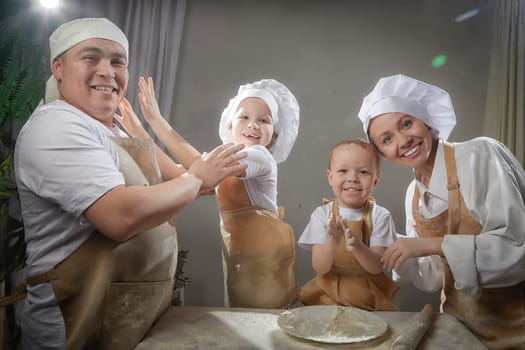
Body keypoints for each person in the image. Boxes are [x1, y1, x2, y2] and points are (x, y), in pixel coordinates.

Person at [13, 17, 247, 350]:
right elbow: (119, 217)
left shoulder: (113, 131)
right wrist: (197, 178)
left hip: (131, 318)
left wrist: (161, 132)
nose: (107, 71)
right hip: (75, 326)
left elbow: (189, 182)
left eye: (117, 61)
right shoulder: (56, 126)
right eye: (91, 57)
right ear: (59, 68)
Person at [358, 73, 525, 349]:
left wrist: (432, 244)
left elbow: (517, 248)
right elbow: (434, 276)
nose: (403, 140)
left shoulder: (479, 156)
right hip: (461, 330)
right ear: (384, 155)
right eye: (387, 139)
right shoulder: (413, 195)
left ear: (425, 120)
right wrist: (392, 245)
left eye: (407, 123)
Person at [118, 77, 300, 308]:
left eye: (264, 121)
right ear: (230, 126)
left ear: (274, 134)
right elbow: (175, 172)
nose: (253, 124)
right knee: (242, 317)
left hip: (266, 261)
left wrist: (156, 121)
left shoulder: (261, 158)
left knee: (262, 323)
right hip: (240, 259)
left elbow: (201, 167)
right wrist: (139, 132)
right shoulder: (224, 156)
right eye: (244, 117)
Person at [297, 139, 399, 311]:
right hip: (328, 292)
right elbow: (320, 266)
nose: (352, 178)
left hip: (366, 294)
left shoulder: (380, 216)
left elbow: (377, 267)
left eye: (363, 172)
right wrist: (332, 244)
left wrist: (358, 247)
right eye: (343, 171)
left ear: (375, 181)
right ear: (330, 177)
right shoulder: (322, 215)